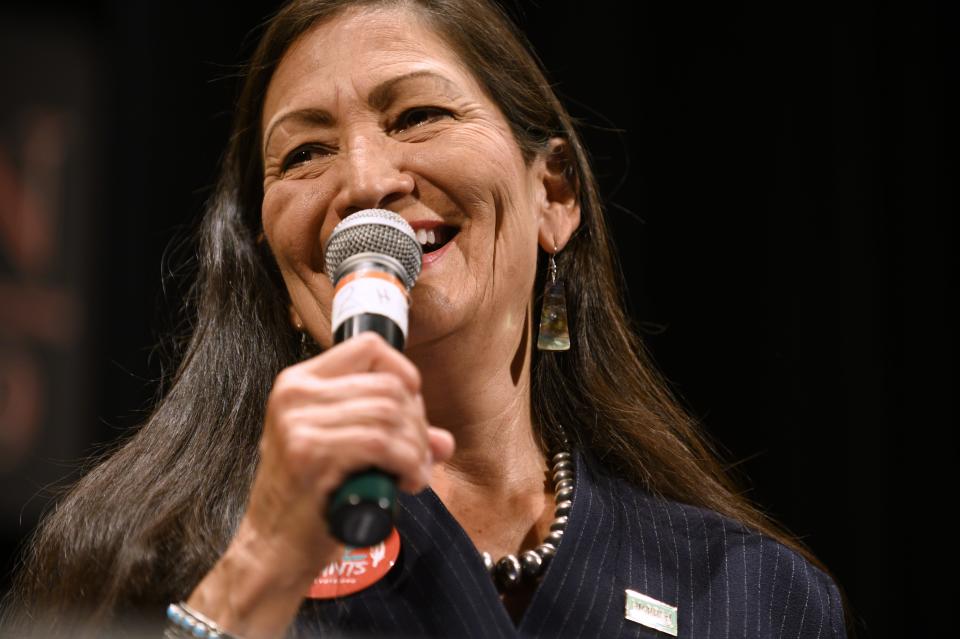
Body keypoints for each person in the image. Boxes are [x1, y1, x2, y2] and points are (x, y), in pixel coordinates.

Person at [2, 0, 848, 637]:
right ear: (271, 256)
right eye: (306, 152)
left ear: (553, 195)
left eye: (418, 116)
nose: (366, 180)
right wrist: (258, 567)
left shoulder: (751, 594)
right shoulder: (142, 557)